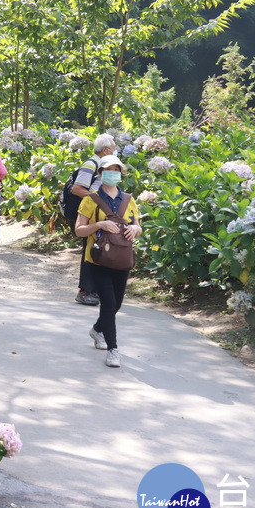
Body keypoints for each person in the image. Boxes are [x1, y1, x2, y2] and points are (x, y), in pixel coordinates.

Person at [74, 155, 141, 368]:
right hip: (98, 259)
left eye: (117, 170)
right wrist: (100, 225)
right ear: (100, 174)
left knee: (117, 304)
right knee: (109, 303)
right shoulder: (90, 200)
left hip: (122, 258)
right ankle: (113, 350)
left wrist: (135, 229)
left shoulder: (129, 200)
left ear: (121, 174)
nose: (113, 174)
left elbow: (138, 226)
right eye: (108, 170)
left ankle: (97, 329)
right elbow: (79, 230)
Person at [69, 133, 117, 306]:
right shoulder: (91, 164)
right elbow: (77, 189)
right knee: (91, 250)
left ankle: (95, 290)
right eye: (114, 149)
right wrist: (101, 201)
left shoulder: (102, 164)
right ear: (105, 150)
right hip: (90, 214)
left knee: (99, 249)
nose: (115, 152)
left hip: (98, 213)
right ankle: (85, 291)